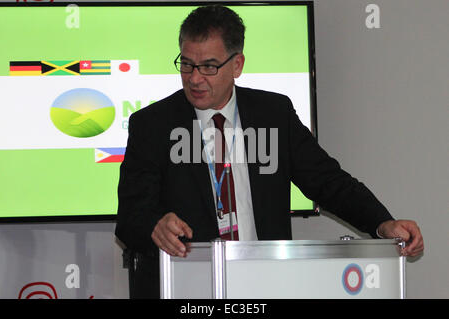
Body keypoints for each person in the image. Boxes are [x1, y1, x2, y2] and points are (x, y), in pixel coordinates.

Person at [115, 5, 424, 299]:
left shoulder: (274, 113)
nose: (194, 78)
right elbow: (130, 217)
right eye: (186, 63)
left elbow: (328, 182)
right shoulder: (152, 125)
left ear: (237, 65)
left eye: (208, 66)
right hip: (188, 286)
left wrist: (382, 223)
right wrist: (155, 224)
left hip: (265, 283)